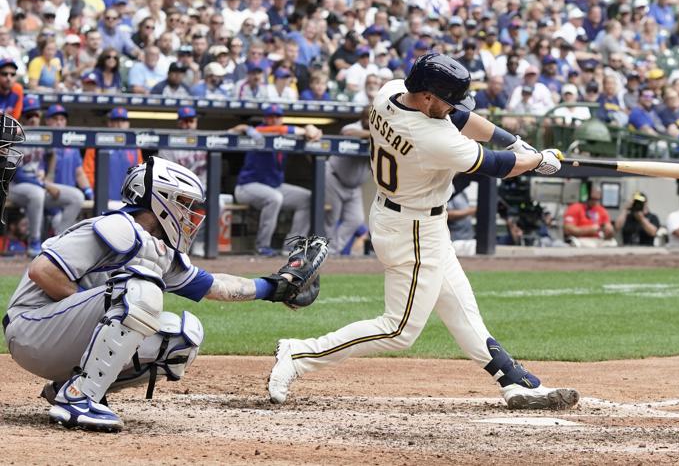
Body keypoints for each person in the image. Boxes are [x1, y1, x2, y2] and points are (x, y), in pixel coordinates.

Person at [267, 53, 577, 411]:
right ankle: (300, 353)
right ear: (427, 96)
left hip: (411, 219)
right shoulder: (432, 138)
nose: (453, 109)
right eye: (446, 101)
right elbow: (496, 166)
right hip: (411, 228)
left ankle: (513, 380)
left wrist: (514, 141)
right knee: (399, 330)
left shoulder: (391, 91)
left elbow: (461, 116)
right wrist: (539, 159)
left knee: (460, 305)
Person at [4, 156, 326, 431]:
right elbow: (43, 272)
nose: (190, 214)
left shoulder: (156, 250)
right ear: (161, 200)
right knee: (141, 289)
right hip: (31, 329)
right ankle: (79, 401)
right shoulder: (115, 228)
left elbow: (214, 285)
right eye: (183, 204)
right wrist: (96, 309)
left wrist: (275, 287)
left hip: (58, 336)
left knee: (183, 337)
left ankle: (71, 386)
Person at [230, 104, 323, 256]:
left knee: (307, 198)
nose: (274, 119)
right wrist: (307, 128)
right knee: (275, 198)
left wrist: (312, 129)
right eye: (270, 117)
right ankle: (262, 246)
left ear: (282, 118)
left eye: (277, 116)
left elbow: (305, 133)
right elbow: (281, 130)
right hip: (247, 186)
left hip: (273, 186)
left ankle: (293, 246)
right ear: (265, 119)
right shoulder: (258, 132)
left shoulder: (285, 135)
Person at [8, 98, 84, 257]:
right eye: (28, 115)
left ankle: (58, 242)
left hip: (39, 185)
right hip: (15, 187)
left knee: (76, 196)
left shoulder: (43, 135)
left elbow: (51, 155)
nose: (33, 118)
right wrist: (44, 184)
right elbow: (17, 174)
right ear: (22, 117)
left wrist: (47, 175)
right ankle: (34, 241)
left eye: (35, 114)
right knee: (37, 193)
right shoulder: (13, 137)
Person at [325, 109, 370, 255]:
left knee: (356, 220)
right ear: (363, 119)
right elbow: (348, 134)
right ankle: (324, 253)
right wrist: (377, 134)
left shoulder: (381, 134)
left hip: (354, 187)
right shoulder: (352, 127)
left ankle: (331, 252)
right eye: (368, 118)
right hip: (334, 178)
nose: (371, 121)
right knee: (331, 219)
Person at [81, 108, 143, 202]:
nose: (119, 124)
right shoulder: (97, 144)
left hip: (129, 202)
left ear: (128, 124)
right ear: (109, 123)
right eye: (116, 121)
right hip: (104, 201)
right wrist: (95, 194)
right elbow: (87, 172)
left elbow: (141, 175)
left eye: (123, 121)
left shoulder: (135, 148)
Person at [563, 183, 616, 248]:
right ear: (587, 196)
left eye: (597, 199)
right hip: (581, 239)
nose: (595, 202)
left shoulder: (602, 210)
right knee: (590, 245)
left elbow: (608, 227)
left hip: (598, 239)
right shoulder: (575, 207)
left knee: (612, 243)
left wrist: (609, 231)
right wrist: (588, 230)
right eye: (593, 199)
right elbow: (567, 229)